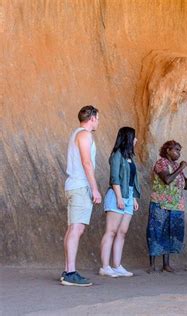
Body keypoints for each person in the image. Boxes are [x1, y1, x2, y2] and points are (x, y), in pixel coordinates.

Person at [62, 105, 101, 286]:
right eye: (97, 118)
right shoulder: (85, 135)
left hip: (74, 185)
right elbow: (87, 163)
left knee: (74, 228)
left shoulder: (75, 134)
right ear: (92, 118)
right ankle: (70, 273)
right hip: (80, 186)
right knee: (76, 228)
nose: (98, 122)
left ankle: (68, 270)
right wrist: (94, 188)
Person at [99, 127, 141, 277]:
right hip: (118, 194)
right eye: (134, 137)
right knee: (111, 231)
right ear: (128, 138)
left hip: (129, 196)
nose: (136, 140)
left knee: (122, 232)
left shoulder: (130, 157)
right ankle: (105, 266)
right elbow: (115, 178)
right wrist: (118, 197)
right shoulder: (117, 155)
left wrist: (134, 198)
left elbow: (131, 180)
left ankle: (117, 265)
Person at [147, 140, 187, 273]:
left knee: (169, 233)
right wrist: (181, 168)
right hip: (160, 203)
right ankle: (152, 265)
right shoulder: (161, 163)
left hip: (176, 205)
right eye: (176, 150)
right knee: (156, 232)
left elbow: (185, 186)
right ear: (168, 150)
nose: (179, 153)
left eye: (179, 150)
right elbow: (166, 180)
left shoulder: (176, 165)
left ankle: (166, 264)